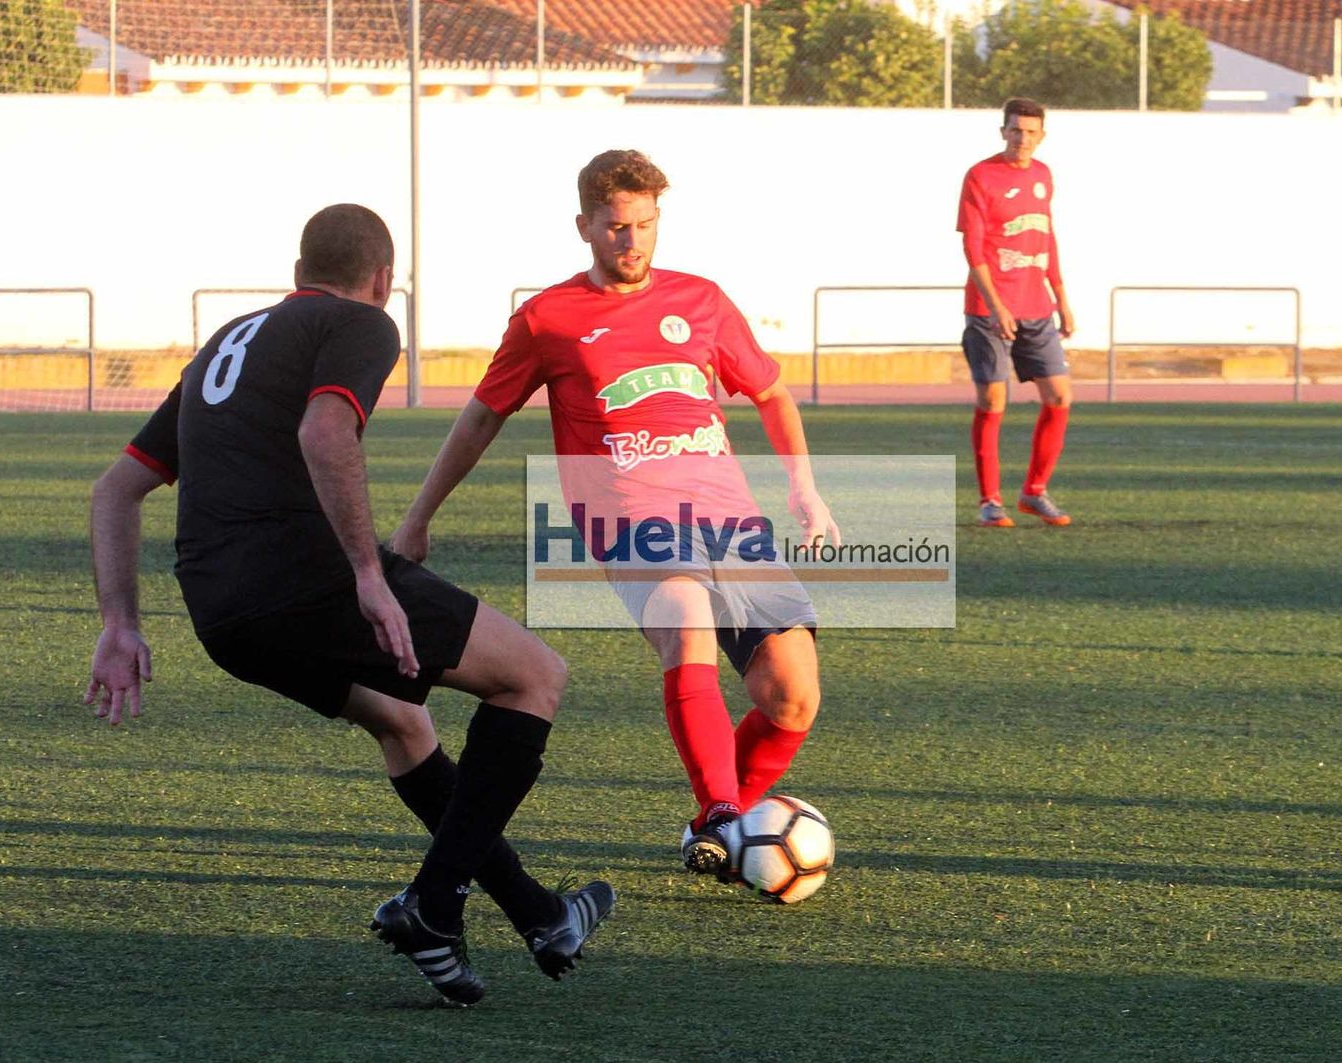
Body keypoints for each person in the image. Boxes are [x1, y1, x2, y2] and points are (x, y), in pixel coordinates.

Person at [83, 204, 613, 1007]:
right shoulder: (363, 323)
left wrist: (120, 623)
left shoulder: (228, 339)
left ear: (297, 274)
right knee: (535, 676)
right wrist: (369, 573)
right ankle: (433, 908)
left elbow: (117, 488)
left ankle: (541, 914)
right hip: (306, 580)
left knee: (405, 723)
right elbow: (325, 431)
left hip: (224, 617)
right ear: (382, 279)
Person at [390, 150, 837, 881]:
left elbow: (774, 394)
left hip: (730, 519)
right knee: (687, 619)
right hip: (630, 521)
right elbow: (478, 419)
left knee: (792, 694)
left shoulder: (702, 300)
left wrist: (805, 489)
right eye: (616, 228)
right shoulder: (547, 318)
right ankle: (724, 812)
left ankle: (713, 829)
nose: (632, 242)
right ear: (585, 226)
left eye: (645, 225)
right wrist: (418, 517)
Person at [957, 96, 1076, 528]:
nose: (1021, 139)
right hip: (990, 311)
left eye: (1030, 132)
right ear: (1002, 131)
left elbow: (1047, 239)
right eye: (1014, 130)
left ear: (1041, 136)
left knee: (1060, 396)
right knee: (994, 399)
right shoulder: (980, 176)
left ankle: (1035, 492)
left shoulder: (1043, 175)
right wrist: (995, 305)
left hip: (1036, 307)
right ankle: (990, 500)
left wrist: (1060, 296)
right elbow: (972, 248)